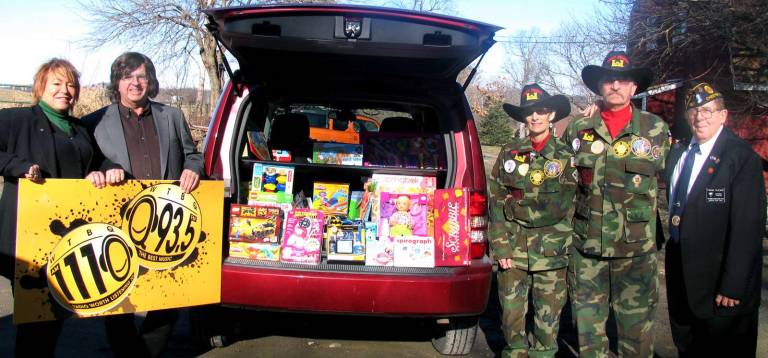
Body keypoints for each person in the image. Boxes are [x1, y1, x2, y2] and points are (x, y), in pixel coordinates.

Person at [82, 52, 203, 358]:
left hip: (165, 225)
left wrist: (193, 168)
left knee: (168, 303)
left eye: (141, 77)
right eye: (128, 77)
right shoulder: (93, 122)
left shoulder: (172, 116)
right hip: (117, 228)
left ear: (150, 82)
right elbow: (85, 164)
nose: (135, 83)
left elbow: (193, 154)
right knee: (117, 305)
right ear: (117, 83)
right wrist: (93, 173)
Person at [0, 58, 117, 356]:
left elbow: (96, 160)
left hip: (67, 242)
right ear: (41, 87)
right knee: (35, 322)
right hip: (29, 240)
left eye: (71, 84)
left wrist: (107, 169)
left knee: (52, 320)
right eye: (57, 83)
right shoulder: (18, 120)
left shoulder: (79, 129)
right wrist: (18, 167)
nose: (65, 90)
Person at [562, 50, 670, 357]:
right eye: (608, 80)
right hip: (588, 250)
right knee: (588, 336)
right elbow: (565, 186)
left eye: (623, 80)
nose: (615, 86)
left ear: (634, 88)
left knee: (637, 337)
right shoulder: (577, 130)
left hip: (635, 252)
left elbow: (674, 181)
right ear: (599, 87)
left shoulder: (655, 130)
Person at [663, 82, 765, 357]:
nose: (700, 116)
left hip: (721, 287)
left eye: (709, 110)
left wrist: (733, 285)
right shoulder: (678, 152)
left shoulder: (741, 159)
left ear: (724, 115)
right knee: (688, 348)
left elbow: (748, 228)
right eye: (694, 111)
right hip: (682, 278)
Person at [488, 83, 576, 357]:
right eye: (529, 112)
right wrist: (500, 247)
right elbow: (496, 200)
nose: (535, 117)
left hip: (552, 253)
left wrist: (516, 205)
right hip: (512, 251)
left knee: (547, 325)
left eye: (541, 111)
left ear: (551, 115)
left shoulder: (566, 156)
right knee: (511, 321)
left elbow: (567, 205)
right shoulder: (509, 152)